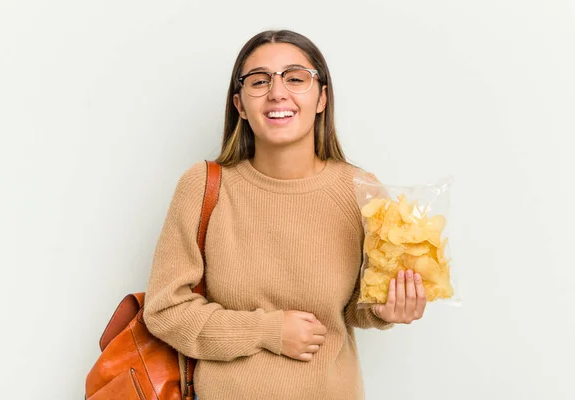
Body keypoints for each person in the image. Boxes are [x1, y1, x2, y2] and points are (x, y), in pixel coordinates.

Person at [143, 29, 427, 400]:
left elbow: (357, 307)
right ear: (240, 105)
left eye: (296, 78)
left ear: (322, 97)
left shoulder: (360, 190)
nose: (278, 92)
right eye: (259, 81)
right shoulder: (203, 186)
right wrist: (267, 331)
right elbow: (165, 309)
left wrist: (387, 309)